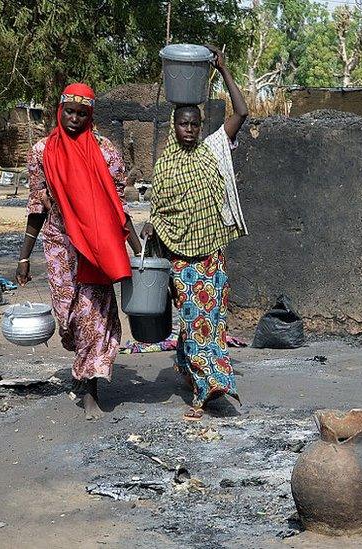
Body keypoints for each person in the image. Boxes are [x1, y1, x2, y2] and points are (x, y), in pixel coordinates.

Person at [18, 83, 142, 420]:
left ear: (90, 115)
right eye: (70, 112)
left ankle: (90, 391)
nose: (74, 118)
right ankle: (82, 360)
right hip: (59, 244)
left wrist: (137, 248)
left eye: (82, 113)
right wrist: (24, 257)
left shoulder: (105, 152)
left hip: (97, 247)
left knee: (92, 317)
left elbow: (118, 205)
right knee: (68, 317)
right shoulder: (42, 152)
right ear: (60, 111)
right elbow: (35, 207)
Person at [142, 45, 249, 421]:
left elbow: (242, 112)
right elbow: (160, 209)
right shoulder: (165, 164)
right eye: (183, 124)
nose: (189, 130)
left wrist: (224, 70)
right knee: (193, 321)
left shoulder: (214, 150)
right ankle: (206, 387)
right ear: (174, 126)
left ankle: (200, 381)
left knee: (210, 323)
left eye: (194, 125)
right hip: (179, 260)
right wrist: (152, 224)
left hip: (211, 255)